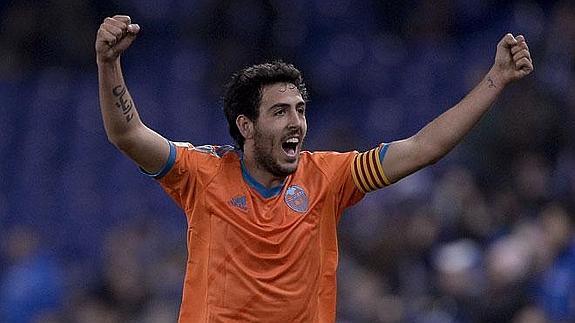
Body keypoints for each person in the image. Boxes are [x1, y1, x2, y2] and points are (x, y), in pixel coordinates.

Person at [95, 15, 534, 323]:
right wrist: (109, 63)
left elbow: (425, 147)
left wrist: (495, 78)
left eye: (300, 110)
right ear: (246, 126)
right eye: (280, 111)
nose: (297, 123)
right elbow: (128, 135)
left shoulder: (329, 177)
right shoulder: (201, 172)